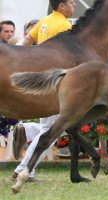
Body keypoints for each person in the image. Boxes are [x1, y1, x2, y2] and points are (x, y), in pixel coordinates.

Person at [12, 0, 76, 182]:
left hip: (41, 79)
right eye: (71, 2)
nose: (74, 5)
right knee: (52, 130)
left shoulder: (44, 21)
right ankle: (24, 169)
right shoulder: (64, 25)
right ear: (61, 6)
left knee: (50, 128)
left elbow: (25, 43)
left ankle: (26, 130)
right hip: (55, 82)